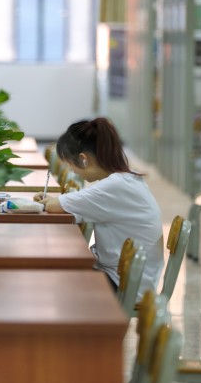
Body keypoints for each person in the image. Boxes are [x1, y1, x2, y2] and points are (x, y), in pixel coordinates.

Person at [35, 118, 164, 297]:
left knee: (49, 282)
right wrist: (54, 201)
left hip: (126, 284)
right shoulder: (125, 180)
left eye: (71, 166)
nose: (74, 172)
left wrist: (50, 202)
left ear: (83, 159)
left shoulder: (114, 187)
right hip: (130, 276)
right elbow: (71, 205)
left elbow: (56, 206)